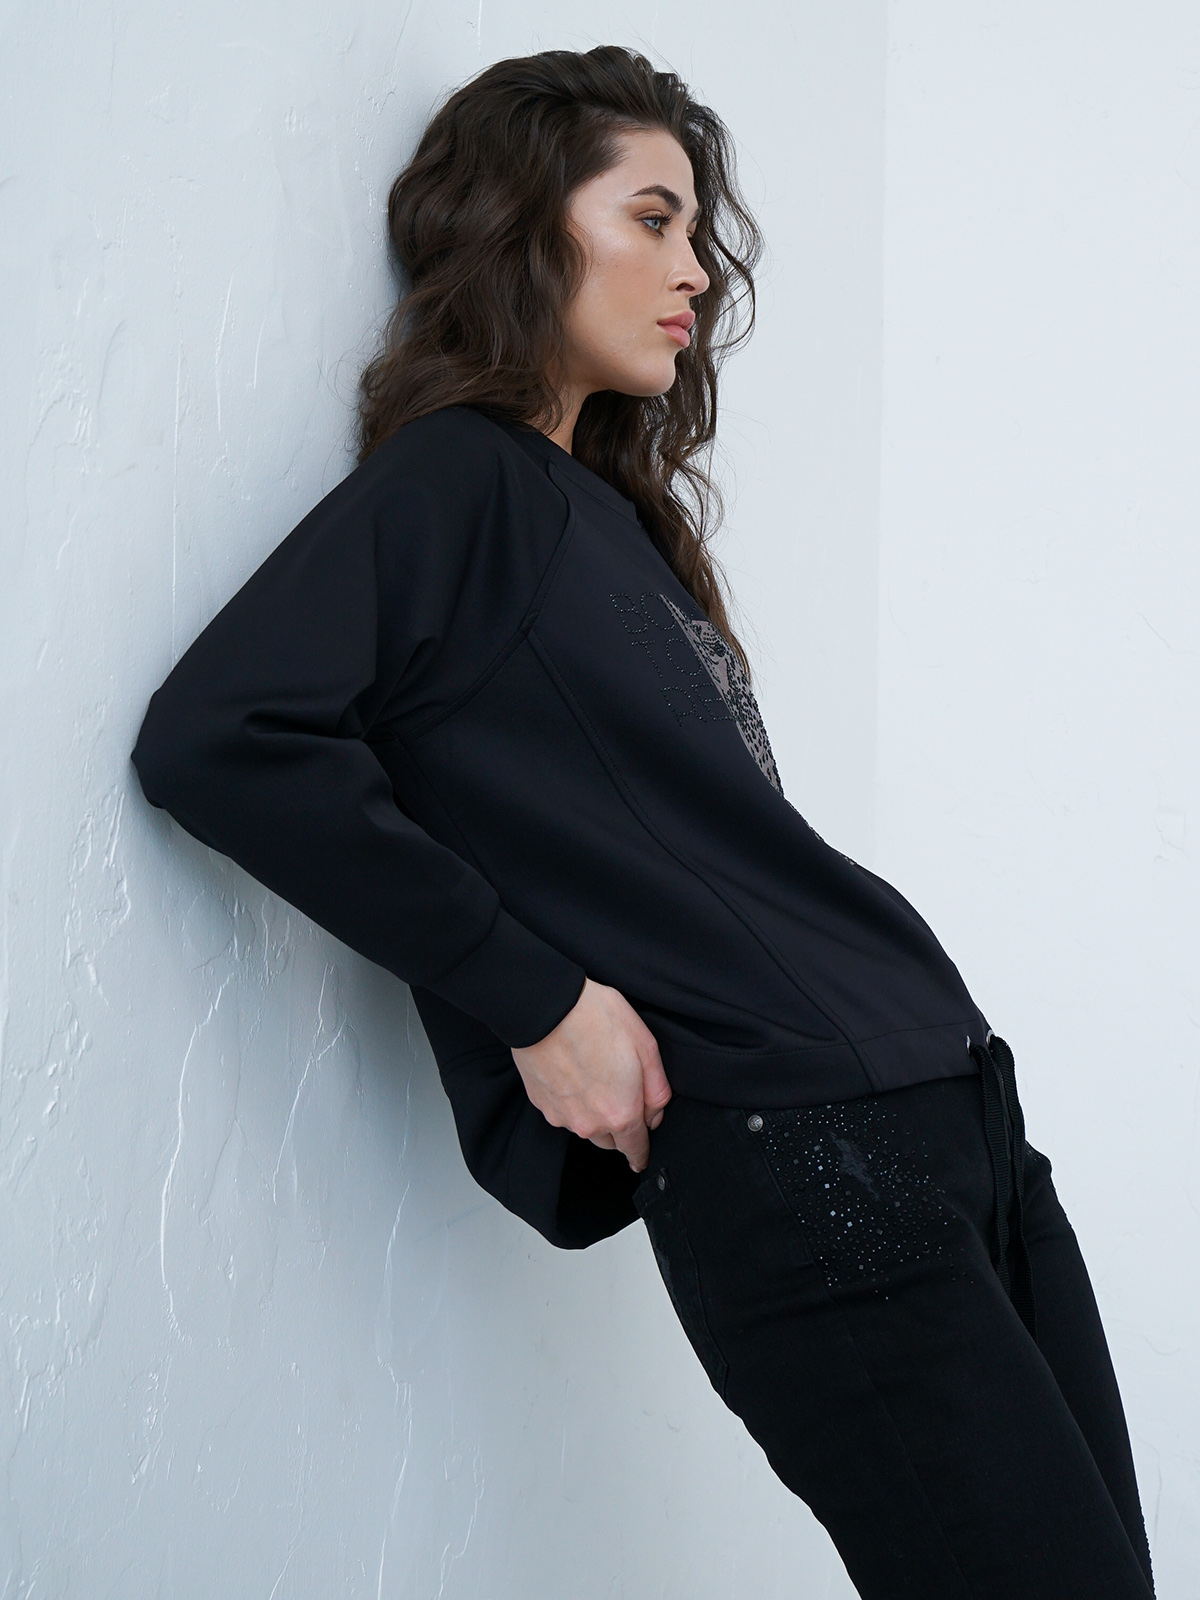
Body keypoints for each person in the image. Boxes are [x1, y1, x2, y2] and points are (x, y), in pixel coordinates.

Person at [131, 44, 1156, 1599]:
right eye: (653, 219)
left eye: (698, 230)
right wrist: (536, 999)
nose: (696, 271)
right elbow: (220, 736)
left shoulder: (607, 516)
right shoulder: (458, 484)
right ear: (522, 224)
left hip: (959, 1120)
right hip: (810, 1155)